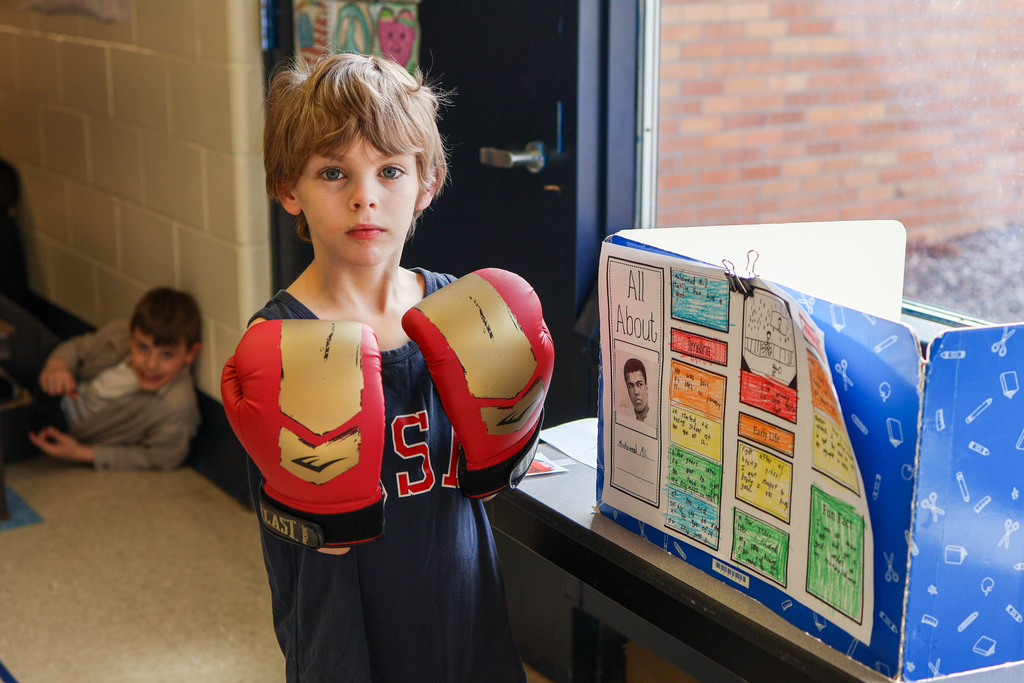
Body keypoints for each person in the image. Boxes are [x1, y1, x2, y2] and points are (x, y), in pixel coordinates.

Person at [222, 53, 532, 682]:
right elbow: (297, 523)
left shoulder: (463, 310)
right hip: (345, 635)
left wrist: (515, 431)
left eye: (390, 170)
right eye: (333, 173)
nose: (366, 197)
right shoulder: (278, 341)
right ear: (289, 190)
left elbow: (492, 480)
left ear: (428, 183)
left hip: (463, 606)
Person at [0, 287, 202, 470]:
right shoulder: (118, 333)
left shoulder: (178, 407)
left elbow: (162, 457)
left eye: (167, 354)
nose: (151, 365)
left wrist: (83, 453)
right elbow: (78, 347)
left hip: (54, 425)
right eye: (142, 347)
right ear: (131, 334)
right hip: (58, 375)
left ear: (191, 354)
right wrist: (58, 364)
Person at [624, 357, 650, 423]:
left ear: (646, 387)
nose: (636, 392)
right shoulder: (625, 420)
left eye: (639, 384)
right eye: (630, 386)